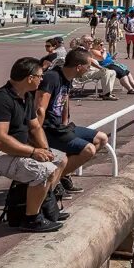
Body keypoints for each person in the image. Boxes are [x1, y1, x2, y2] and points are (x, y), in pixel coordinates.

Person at [0, 57, 67, 232]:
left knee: (59, 159)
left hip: (11, 149)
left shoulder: (26, 96)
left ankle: (43, 205)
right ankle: (31, 218)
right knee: (43, 170)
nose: (42, 79)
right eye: (40, 76)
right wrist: (33, 152)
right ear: (29, 78)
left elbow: (35, 127)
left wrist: (44, 149)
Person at [34, 49, 109, 194]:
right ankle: (50, 186)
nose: (89, 70)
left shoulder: (68, 78)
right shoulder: (52, 77)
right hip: (47, 129)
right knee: (88, 149)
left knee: (101, 139)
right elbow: (39, 109)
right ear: (79, 67)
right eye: (88, 66)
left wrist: (64, 122)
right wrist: (38, 140)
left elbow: (64, 101)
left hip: (60, 127)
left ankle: (59, 177)